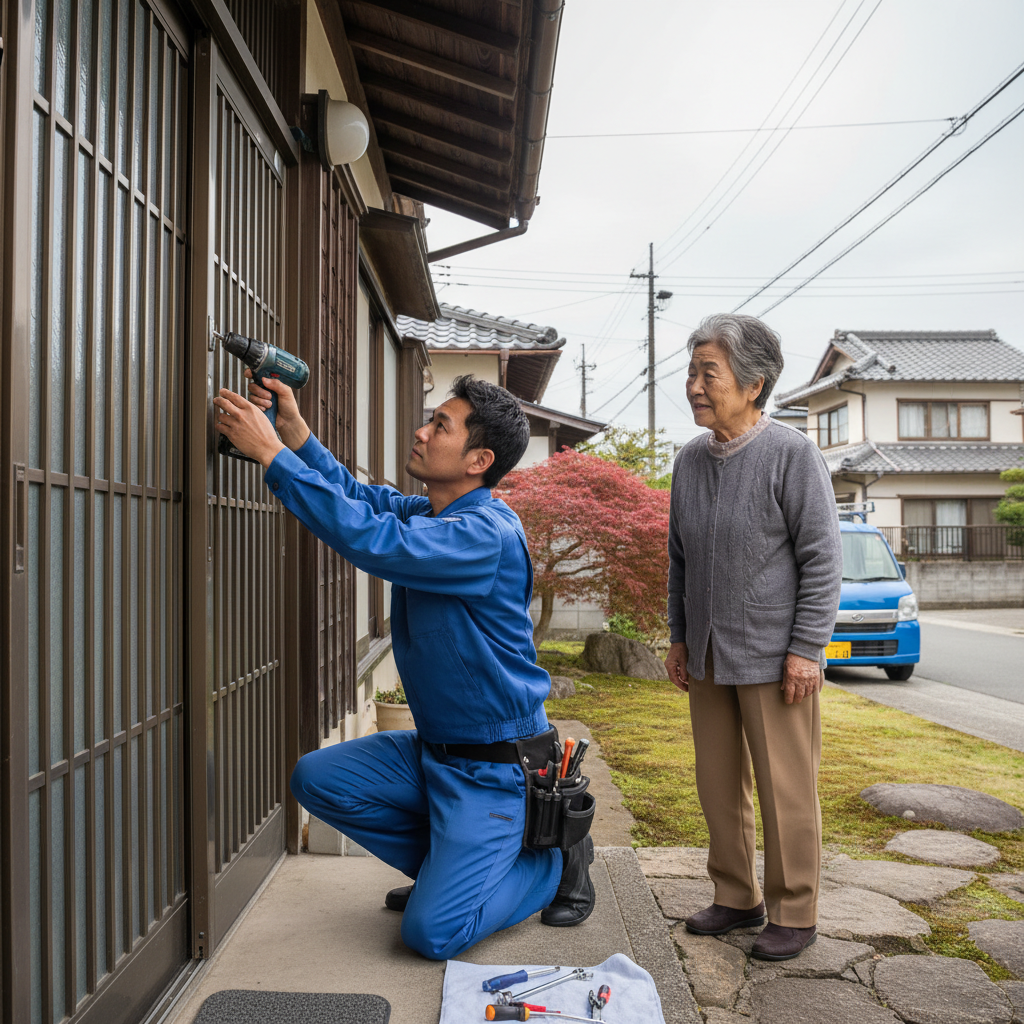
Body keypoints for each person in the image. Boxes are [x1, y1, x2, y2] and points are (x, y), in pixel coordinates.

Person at [212, 371, 595, 960]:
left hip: (494, 769)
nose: (421, 431)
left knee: (432, 934)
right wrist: (294, 433)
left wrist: (268, 453)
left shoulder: (483, 535)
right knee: (317, 779)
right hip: (436, 751)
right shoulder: (438, 513)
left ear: (479, 459)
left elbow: (375, 540)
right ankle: (453, 872)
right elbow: (365, 502)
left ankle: (550, 862)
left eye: (440, 425)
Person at [664, 313, 843, 962]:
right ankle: (737, 896)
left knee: (786, 790)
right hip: (709, 654)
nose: (694, 385)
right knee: (717, 785)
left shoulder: (791, 454)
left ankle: (796, 910)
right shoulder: (688, 461)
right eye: (691, 372)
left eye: (707, 372)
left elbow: (823, 557)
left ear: (753, 382)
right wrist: (679, 638)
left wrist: (807, 648)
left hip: (776, 658)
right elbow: (680, 560)